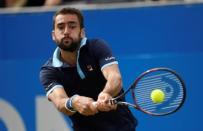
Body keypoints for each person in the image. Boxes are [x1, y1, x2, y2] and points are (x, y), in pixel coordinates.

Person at [39, 7, 137, 131]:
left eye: (72, 26)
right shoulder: (49, 71)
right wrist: (73, 102)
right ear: (54, 35)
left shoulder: (96, 47)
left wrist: (106, 93)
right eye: (60, 27)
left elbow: (114, 77)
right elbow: (60, 102)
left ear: (82, 32)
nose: (66, 31)